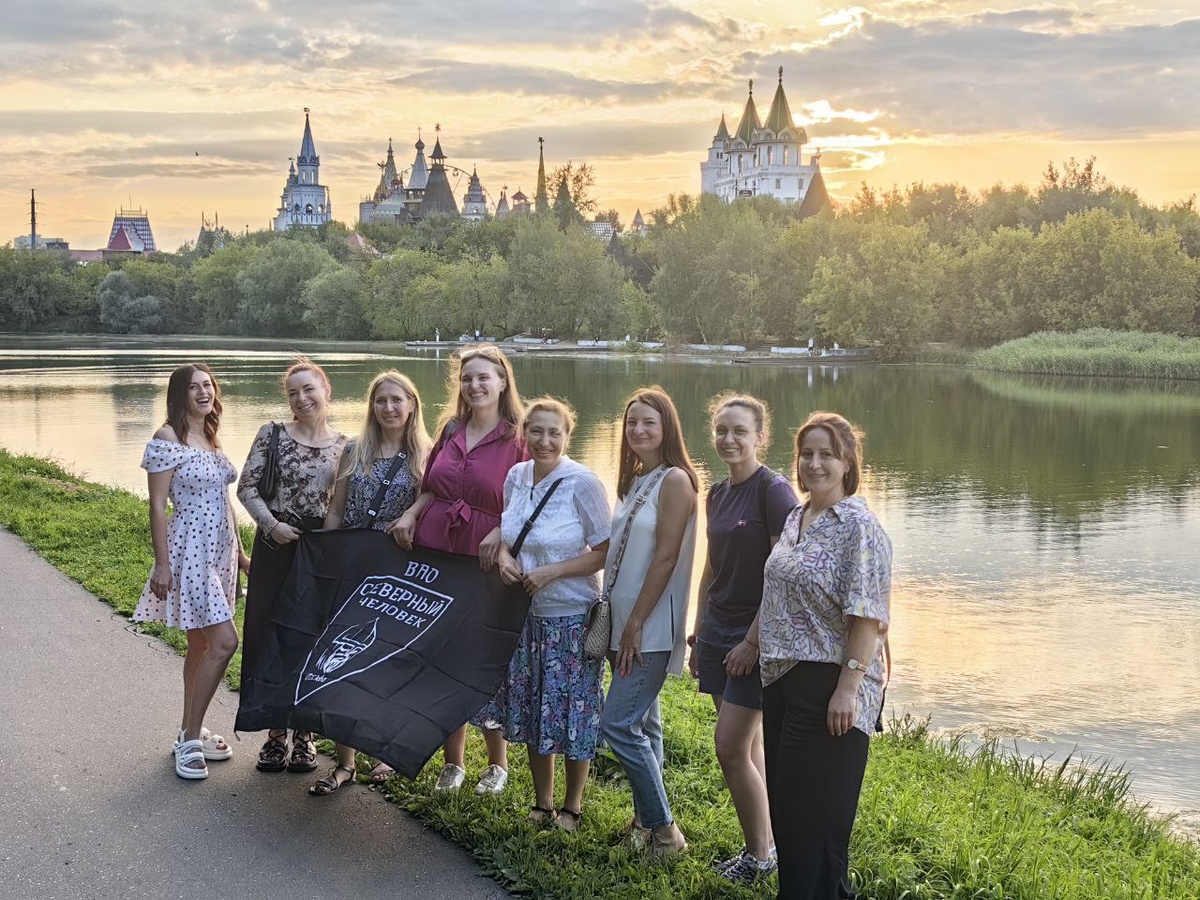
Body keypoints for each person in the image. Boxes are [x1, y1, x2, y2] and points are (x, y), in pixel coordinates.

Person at [759, 411, 891, 899]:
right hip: (781, 676)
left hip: (829, 684)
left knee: (812, 819)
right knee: (789, 812)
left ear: (848, 462)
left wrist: (849, 688)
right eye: (807, 453)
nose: (814, 464)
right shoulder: (798, 516)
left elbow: (868, 616)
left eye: (827, 455)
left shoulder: (860, 527)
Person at [390, 344, 528, 794]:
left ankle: (497, 764)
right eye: (467, 378)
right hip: (436, 551)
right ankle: (453, 763)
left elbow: (531, 504)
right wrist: (411, 515)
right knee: (440, 655)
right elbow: (432, 488)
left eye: (484, 377)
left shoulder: (519, 437)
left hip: (484, 559)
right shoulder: (451, 428)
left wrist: (504, 533)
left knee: (480, 656)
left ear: (503, 381)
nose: (475, 385)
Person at [689, 393, 797, 883]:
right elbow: (711, 565)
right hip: (717, 629)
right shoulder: (716, 493)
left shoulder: (773, 493)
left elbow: (783, 578)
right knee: (747, 747)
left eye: (739, 431)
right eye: (721, 431)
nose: (728, 440)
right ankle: (765, 842)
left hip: (756, 637)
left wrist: (752, 641)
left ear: (761, 437)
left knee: (730, 748)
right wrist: (698, 627)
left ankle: (760, 858)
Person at [308, 370, 432, 795]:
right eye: (381, 401)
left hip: (396, 579)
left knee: (386, 662)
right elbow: (337, 510)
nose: (389, 408)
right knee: (342, 660)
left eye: (397, 400)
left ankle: (383, 750)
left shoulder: (426, 458)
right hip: (351, 570)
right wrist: (326, 556)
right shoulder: (354, 451)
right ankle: (344, 763)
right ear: (371, 407)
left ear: (412, 404)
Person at [494, 398, 611, 830]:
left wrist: (552, 572)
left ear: (567, 435)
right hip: (524, 615)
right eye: (537, 431)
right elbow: (508, 531)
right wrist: (506, 556)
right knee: (531, 703)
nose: (544, 441)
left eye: (554, 433)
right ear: (524, 432)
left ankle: (572, 806)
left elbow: (604, 551)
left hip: (571, 615)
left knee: (574, 708)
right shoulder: (516, 475)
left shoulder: (582, 482)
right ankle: (542, 802)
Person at [134, 363, 249, 780]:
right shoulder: (167, 438)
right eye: (194, 387)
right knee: (224, 643)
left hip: (219, 554)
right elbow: (157, 505)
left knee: (200, 647)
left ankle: (189, 730)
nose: (204, 393)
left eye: (209, 385)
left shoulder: (211, 439)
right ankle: (190, 738)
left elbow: (225, 502)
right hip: (189, 555)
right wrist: (162, 564)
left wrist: (240, 557)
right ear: (179, 394)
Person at [598, 386, 698, 858]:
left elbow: (666, 558)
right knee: (646, 725)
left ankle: (665, 831)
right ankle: (643, 822)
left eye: (648, 423)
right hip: (624, 623)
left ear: (667, 429)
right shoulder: (640, 479)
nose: (638, 430)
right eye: (632, 422)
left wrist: (636, 621)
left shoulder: (675, 480)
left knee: (617, 725)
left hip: (650, 627)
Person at [238, 358, 347, 775]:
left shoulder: (346, 446)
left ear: (326, 390)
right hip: (276, 545)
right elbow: (247, 488)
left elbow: (344, 504)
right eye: (292, 393)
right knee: (270, 634)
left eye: (308, 389)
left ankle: (305, 736)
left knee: (311, 638)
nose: (301, 399)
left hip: (319, 552)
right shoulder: (273, 434)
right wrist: (272, 525)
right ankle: (274, 733)